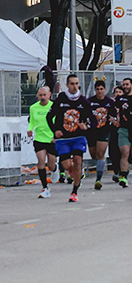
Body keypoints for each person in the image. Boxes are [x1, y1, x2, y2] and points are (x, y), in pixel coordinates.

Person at [47, 74, 92, 203]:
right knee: (67, 165)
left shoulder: (83, 101)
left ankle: (74, 191)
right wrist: (55, 130)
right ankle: (76, 172)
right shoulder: (61, 99)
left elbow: (93, 119)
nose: (74, 86)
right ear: (67, 85)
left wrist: (86, 126)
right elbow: (49, 117)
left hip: (78, 137)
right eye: (72, 84)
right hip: (64, 138)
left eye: (76, 83)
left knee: (78, 161)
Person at [87, 79, 117, 190]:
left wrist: (113, 120)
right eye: (97, 89)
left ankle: (98, 179)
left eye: (101, 89)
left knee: (100, 153)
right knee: (94, 155)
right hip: (91, 131)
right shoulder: (90, 101)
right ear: (95, 90)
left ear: (104, 90)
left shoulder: (109, 102)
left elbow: (114, 115)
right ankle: (101, 163)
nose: (99, 91)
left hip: (104, 130)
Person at [28, 86, 57, 198]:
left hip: (51, 138)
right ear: (37, 96)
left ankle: (55, 169)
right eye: (40, 95)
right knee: (41, 161)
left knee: (50, 164)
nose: (42, 97)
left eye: (44, 95)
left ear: (49, 95)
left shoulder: (54, 106)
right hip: (39, 138)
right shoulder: (33, 108)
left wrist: (56, 135)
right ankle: (45, 188)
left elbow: (57, 121)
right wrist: (30, 129)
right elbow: (32, 121)